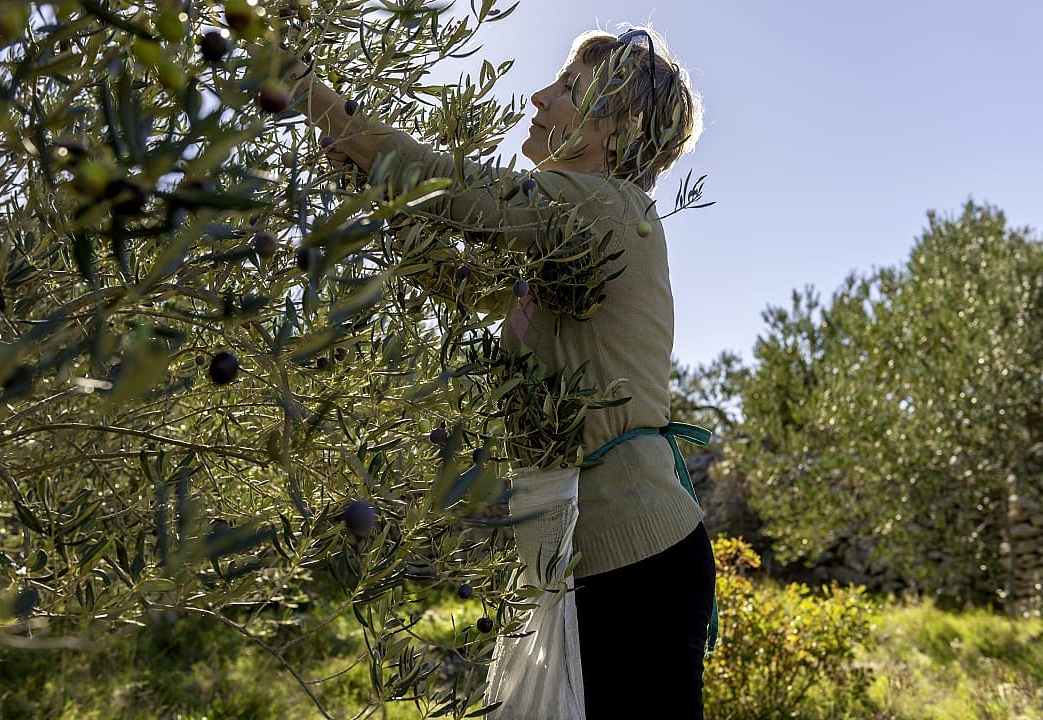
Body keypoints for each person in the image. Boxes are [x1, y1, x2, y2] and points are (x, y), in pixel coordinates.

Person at [280, 25, 717, 719]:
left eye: (568, 90)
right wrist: (356, 166)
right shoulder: (565, 240)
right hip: (584, 553)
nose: (539, 98)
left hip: (633, 560)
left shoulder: (603, 209)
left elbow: (453, 187)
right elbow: (453, 277)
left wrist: (311, 96)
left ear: (619, 128)